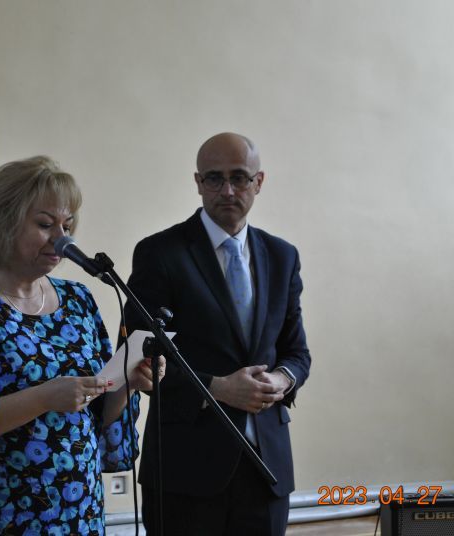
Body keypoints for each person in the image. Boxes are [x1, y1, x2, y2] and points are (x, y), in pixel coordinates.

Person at [0, 156, 165, 535]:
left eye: (67, 225)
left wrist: (128, 382)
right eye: (45, 224)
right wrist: (43, 397)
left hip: (79, 514)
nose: (63, 238)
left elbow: (95, 416)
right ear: (4, 222)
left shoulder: (78, 301)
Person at [125, 133, 311, 535]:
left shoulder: (282, 256)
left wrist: (281, 380)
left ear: (258, 182)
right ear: (198, 182)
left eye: (239, 178)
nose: (227, 190)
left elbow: (297, 353)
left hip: (267, 468)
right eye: (214, 178)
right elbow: (139, 358)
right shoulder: (160, 253)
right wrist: (218, 388)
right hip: (185, 470)